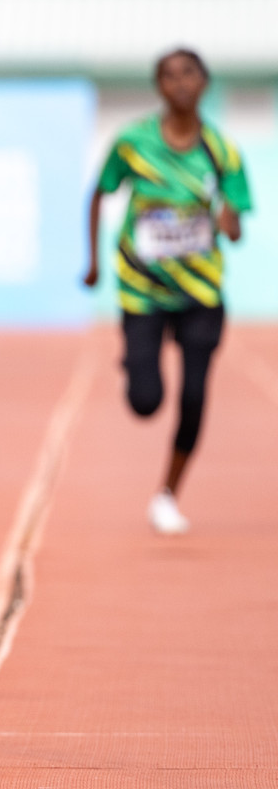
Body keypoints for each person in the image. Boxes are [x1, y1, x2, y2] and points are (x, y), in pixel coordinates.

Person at [85, 48, 251, 535]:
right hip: (143, 290)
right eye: (169, 76)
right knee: (145, 402)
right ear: (158, 87)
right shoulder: (132, 143)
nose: (180, 83)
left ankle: (167, 494)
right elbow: (98, 193)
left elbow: (236, 223)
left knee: (196, 393)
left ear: (205, 82)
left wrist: (229, 218)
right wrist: (93, 260)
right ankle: (136, 362)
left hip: (202, 291)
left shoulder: (222, 151)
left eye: (189, 74)